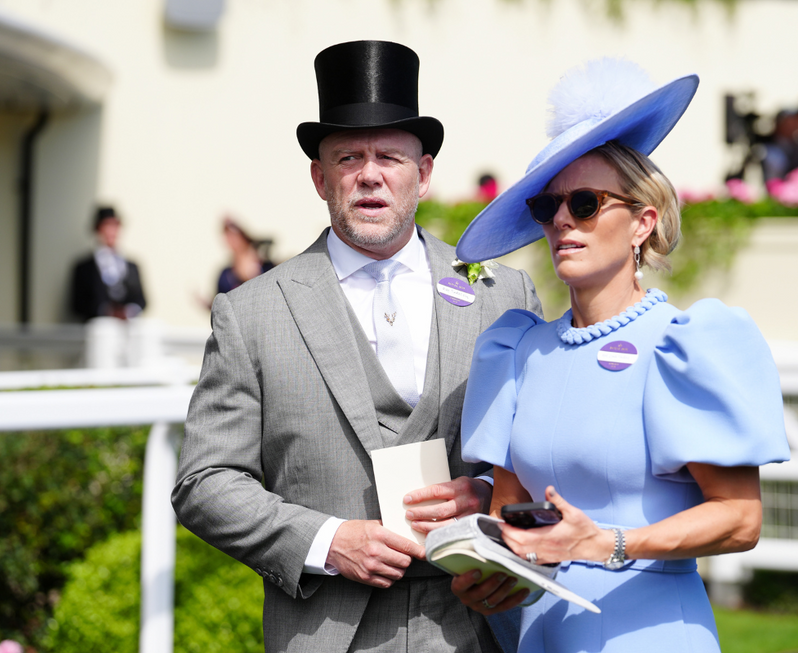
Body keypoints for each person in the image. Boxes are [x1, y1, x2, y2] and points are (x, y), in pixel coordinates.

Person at [171, 40, 541, 653]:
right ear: (320, 177)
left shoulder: (504, 295)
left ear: (422, 174)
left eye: (390, 156)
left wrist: (491, 495)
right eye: (349, 157)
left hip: (479, 623)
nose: (370, 174)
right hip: (324, 631)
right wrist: (325, 542)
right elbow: (205, 481)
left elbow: (548, 455)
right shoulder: (252, 312)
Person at [448, 59, 790, 652]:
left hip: (655, 633)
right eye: (546, 207)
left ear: (642, 222)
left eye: (584, 203)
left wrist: (607, 543)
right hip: (544, 635)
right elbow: (513, 517)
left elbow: (740, 519)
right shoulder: (518, 351)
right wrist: (494, 573)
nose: (560, 221)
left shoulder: (683, 344)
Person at [70, 206, 147, 321]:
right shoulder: (84, 268)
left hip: (127, 328)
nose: (111, 231)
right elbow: (77, 305)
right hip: (98, 328)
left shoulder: (131, 266)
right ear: (98, 229)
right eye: (107, 226)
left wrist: (128, 311)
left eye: (115, 226)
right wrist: (107, 311)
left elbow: (142, 301)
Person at [216, 216, 275, 294]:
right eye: (229, 236)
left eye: (234, 235)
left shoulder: (265, 266)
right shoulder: (226, 275)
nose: (233, 241)